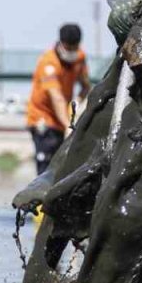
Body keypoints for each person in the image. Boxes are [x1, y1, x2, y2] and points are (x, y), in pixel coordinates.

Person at [25, 23, 91, 174]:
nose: (72, 52)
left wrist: (78, 102)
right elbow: (57, 98)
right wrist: (69, 124)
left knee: (63, 164)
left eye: (75, 47)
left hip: (63, 118)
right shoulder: (48, 63)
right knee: (46, 162)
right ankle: (41, 196)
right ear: (61, 44)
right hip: (42, 117)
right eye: (69, 48)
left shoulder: (79, 58)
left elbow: (86, 86)